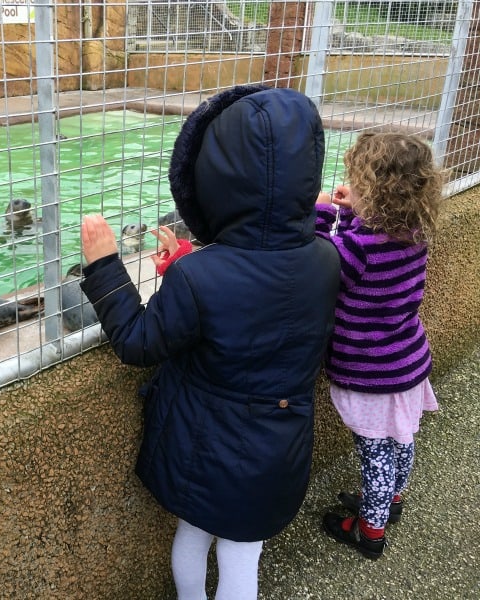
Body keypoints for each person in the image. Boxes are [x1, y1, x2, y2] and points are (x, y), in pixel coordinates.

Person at [79, 85, 341, 600]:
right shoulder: (325, 259)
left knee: (192, 535)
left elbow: (137, 341)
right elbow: (260, 296)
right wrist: (188, 259)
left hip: (203, 449)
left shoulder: (200, 277)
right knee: (244, 554)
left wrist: (106, 267)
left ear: (214, 179)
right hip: (277, 448)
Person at [315, 131, 445, 559]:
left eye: (359, 184)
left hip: (370, 373)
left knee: (375, 456)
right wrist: (355, 209)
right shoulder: (414, 231)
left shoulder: (358, 247)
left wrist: (321, 213)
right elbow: (369, 239)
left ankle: (370, 531)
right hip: (407, 361)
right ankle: (391, 501)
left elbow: (322, 264)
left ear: (378, 196)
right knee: (401, 441)